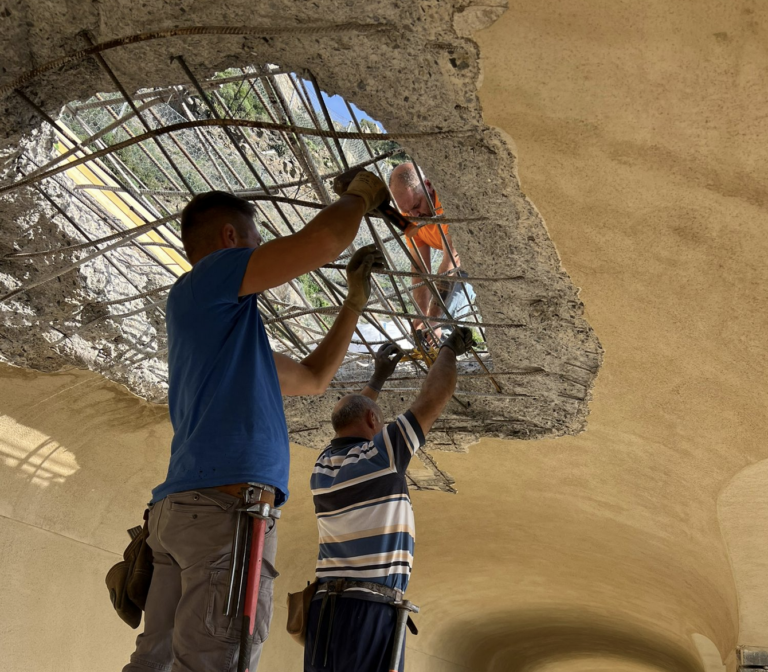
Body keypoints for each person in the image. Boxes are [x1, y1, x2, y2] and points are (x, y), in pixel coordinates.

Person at [123, 169, 389, 672]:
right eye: (255, 239)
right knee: (216, 661)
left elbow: (312, 377)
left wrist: (353, 304)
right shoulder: (212, 277)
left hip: (189, 514)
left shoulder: (226, 336)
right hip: (225, 515)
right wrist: (360, 195)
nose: (259, 249)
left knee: (154, 662)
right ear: (230, 239)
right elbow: (324, 239)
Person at [305, 327, 475, 672]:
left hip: (324, 609)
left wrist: (377, 379)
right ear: (373, 420)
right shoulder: (380, 456)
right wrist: (447, 351)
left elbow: (353, 414)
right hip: (365, 611)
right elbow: (431, 400)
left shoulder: (322, 466)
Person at [389, 162, 476, 345]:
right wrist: (421, 315)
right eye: (407, 211)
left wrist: (434, 320)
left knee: (442, 323)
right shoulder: (410, 216)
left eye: (417, 205)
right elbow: (419, 266)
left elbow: (450, 262)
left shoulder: (446, 205)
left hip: (473, 258)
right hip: (457, 263)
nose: (415, 215)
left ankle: (445, 349)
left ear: (428, 185)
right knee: (427, 325)